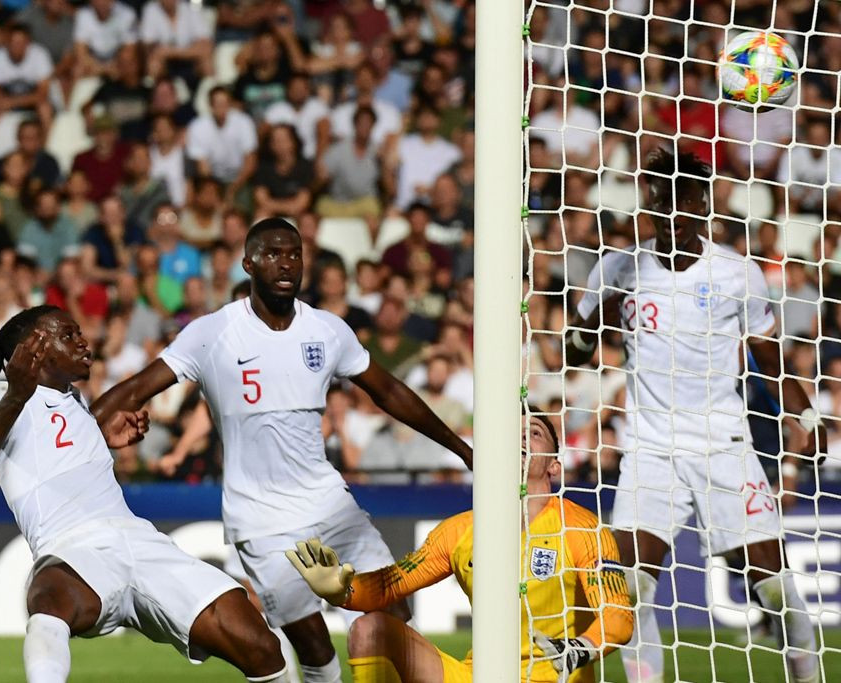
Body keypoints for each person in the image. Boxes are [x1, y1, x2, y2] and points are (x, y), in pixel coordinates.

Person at [92, 217, 473, 683]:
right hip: (261, 519)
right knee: (312, 645)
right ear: (248, 263)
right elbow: (132, 390)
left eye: (294, 253)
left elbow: (389, 392)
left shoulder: (327, 330)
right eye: (272, 253)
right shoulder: (212, 333)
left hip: (330, 504)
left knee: (393, 615)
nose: (285, 262)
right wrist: (86, 437)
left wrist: (462, 448)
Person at [565, 148, 826, 683]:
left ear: (704, 205)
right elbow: (571, 350)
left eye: (685, 202)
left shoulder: (737, 272)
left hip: (722, 445)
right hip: (650, 448)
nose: (674, 214)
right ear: (650, 205)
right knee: (631, 586)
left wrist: (805, 417)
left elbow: (767, 355)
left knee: (768, 584)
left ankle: (806, 662)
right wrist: (596, 326)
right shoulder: (617, 268)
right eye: (662, 202)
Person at [0, 306, 292, 683]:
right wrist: (16, 393)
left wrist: (100, 436)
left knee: (258, 642)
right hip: (73, 547)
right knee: (49, 599)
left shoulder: (76, 400)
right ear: (35, 348)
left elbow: (58, 448)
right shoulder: (2, 395)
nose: (83, 341)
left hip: (138, 539)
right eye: (67, 335)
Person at [287, 409, 633, 682]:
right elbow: (387, 587)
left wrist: (580, 649)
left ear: (555, 465)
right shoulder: (460, 530)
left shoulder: (582, 527)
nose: (522, 436)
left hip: (551, 676)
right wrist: (342, 592)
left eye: (535, 433)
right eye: (513, 431)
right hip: (475, 677)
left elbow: (618, 616)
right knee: (370, 629)